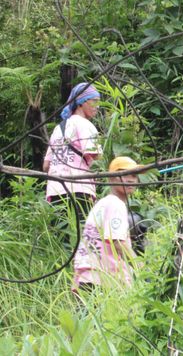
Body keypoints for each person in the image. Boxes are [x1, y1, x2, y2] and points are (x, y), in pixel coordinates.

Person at [72, 156, 141, 293]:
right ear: (111, 177)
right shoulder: (116, 204)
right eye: (125, 174)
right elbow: (118, 243)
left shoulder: (102, 204)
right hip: (103, 278)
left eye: (134, 175)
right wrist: (140, 266)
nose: (131, 179)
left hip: (86, 276)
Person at [44, 82, 102, 229]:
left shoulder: (58, 128)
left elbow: (46, 165)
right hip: (80, 190)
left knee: (63, 240)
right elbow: (96, 157)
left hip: (56, 190)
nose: (98, 106)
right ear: (81, 102)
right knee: (83, 239)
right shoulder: (85, 125)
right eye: (94, 101)